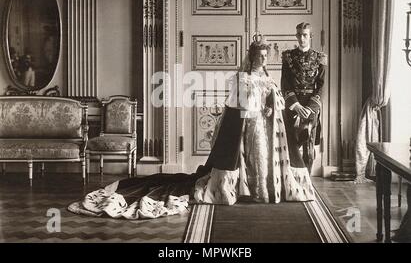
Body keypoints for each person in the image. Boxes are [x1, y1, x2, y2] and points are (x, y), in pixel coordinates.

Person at [68, 36, 315, 220]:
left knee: (261, 159)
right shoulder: (241, 78)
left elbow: (275, 99)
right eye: (259, 55)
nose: (263, 59)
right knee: (243, 159)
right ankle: (233, 191)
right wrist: (253, 114)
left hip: (264, 127)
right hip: (245, 126)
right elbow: (237, 107)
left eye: (264, 56)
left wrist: (271, 108)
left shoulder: (268, 78)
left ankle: (261, 191)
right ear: (251, 56)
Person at [281, 22, 327, 175]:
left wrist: (309, 108)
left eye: (305, 35)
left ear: (310, 36)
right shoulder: (288, 57)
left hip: (310, 107)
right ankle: (292, 179)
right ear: (296, 36)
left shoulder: (320, 58)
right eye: (299, 35)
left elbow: (321, 86)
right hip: (294, 106)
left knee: (309, 145)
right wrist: (296, 106)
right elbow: (285, 84)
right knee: (291, 144)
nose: (302, 38)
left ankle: (306, 180)